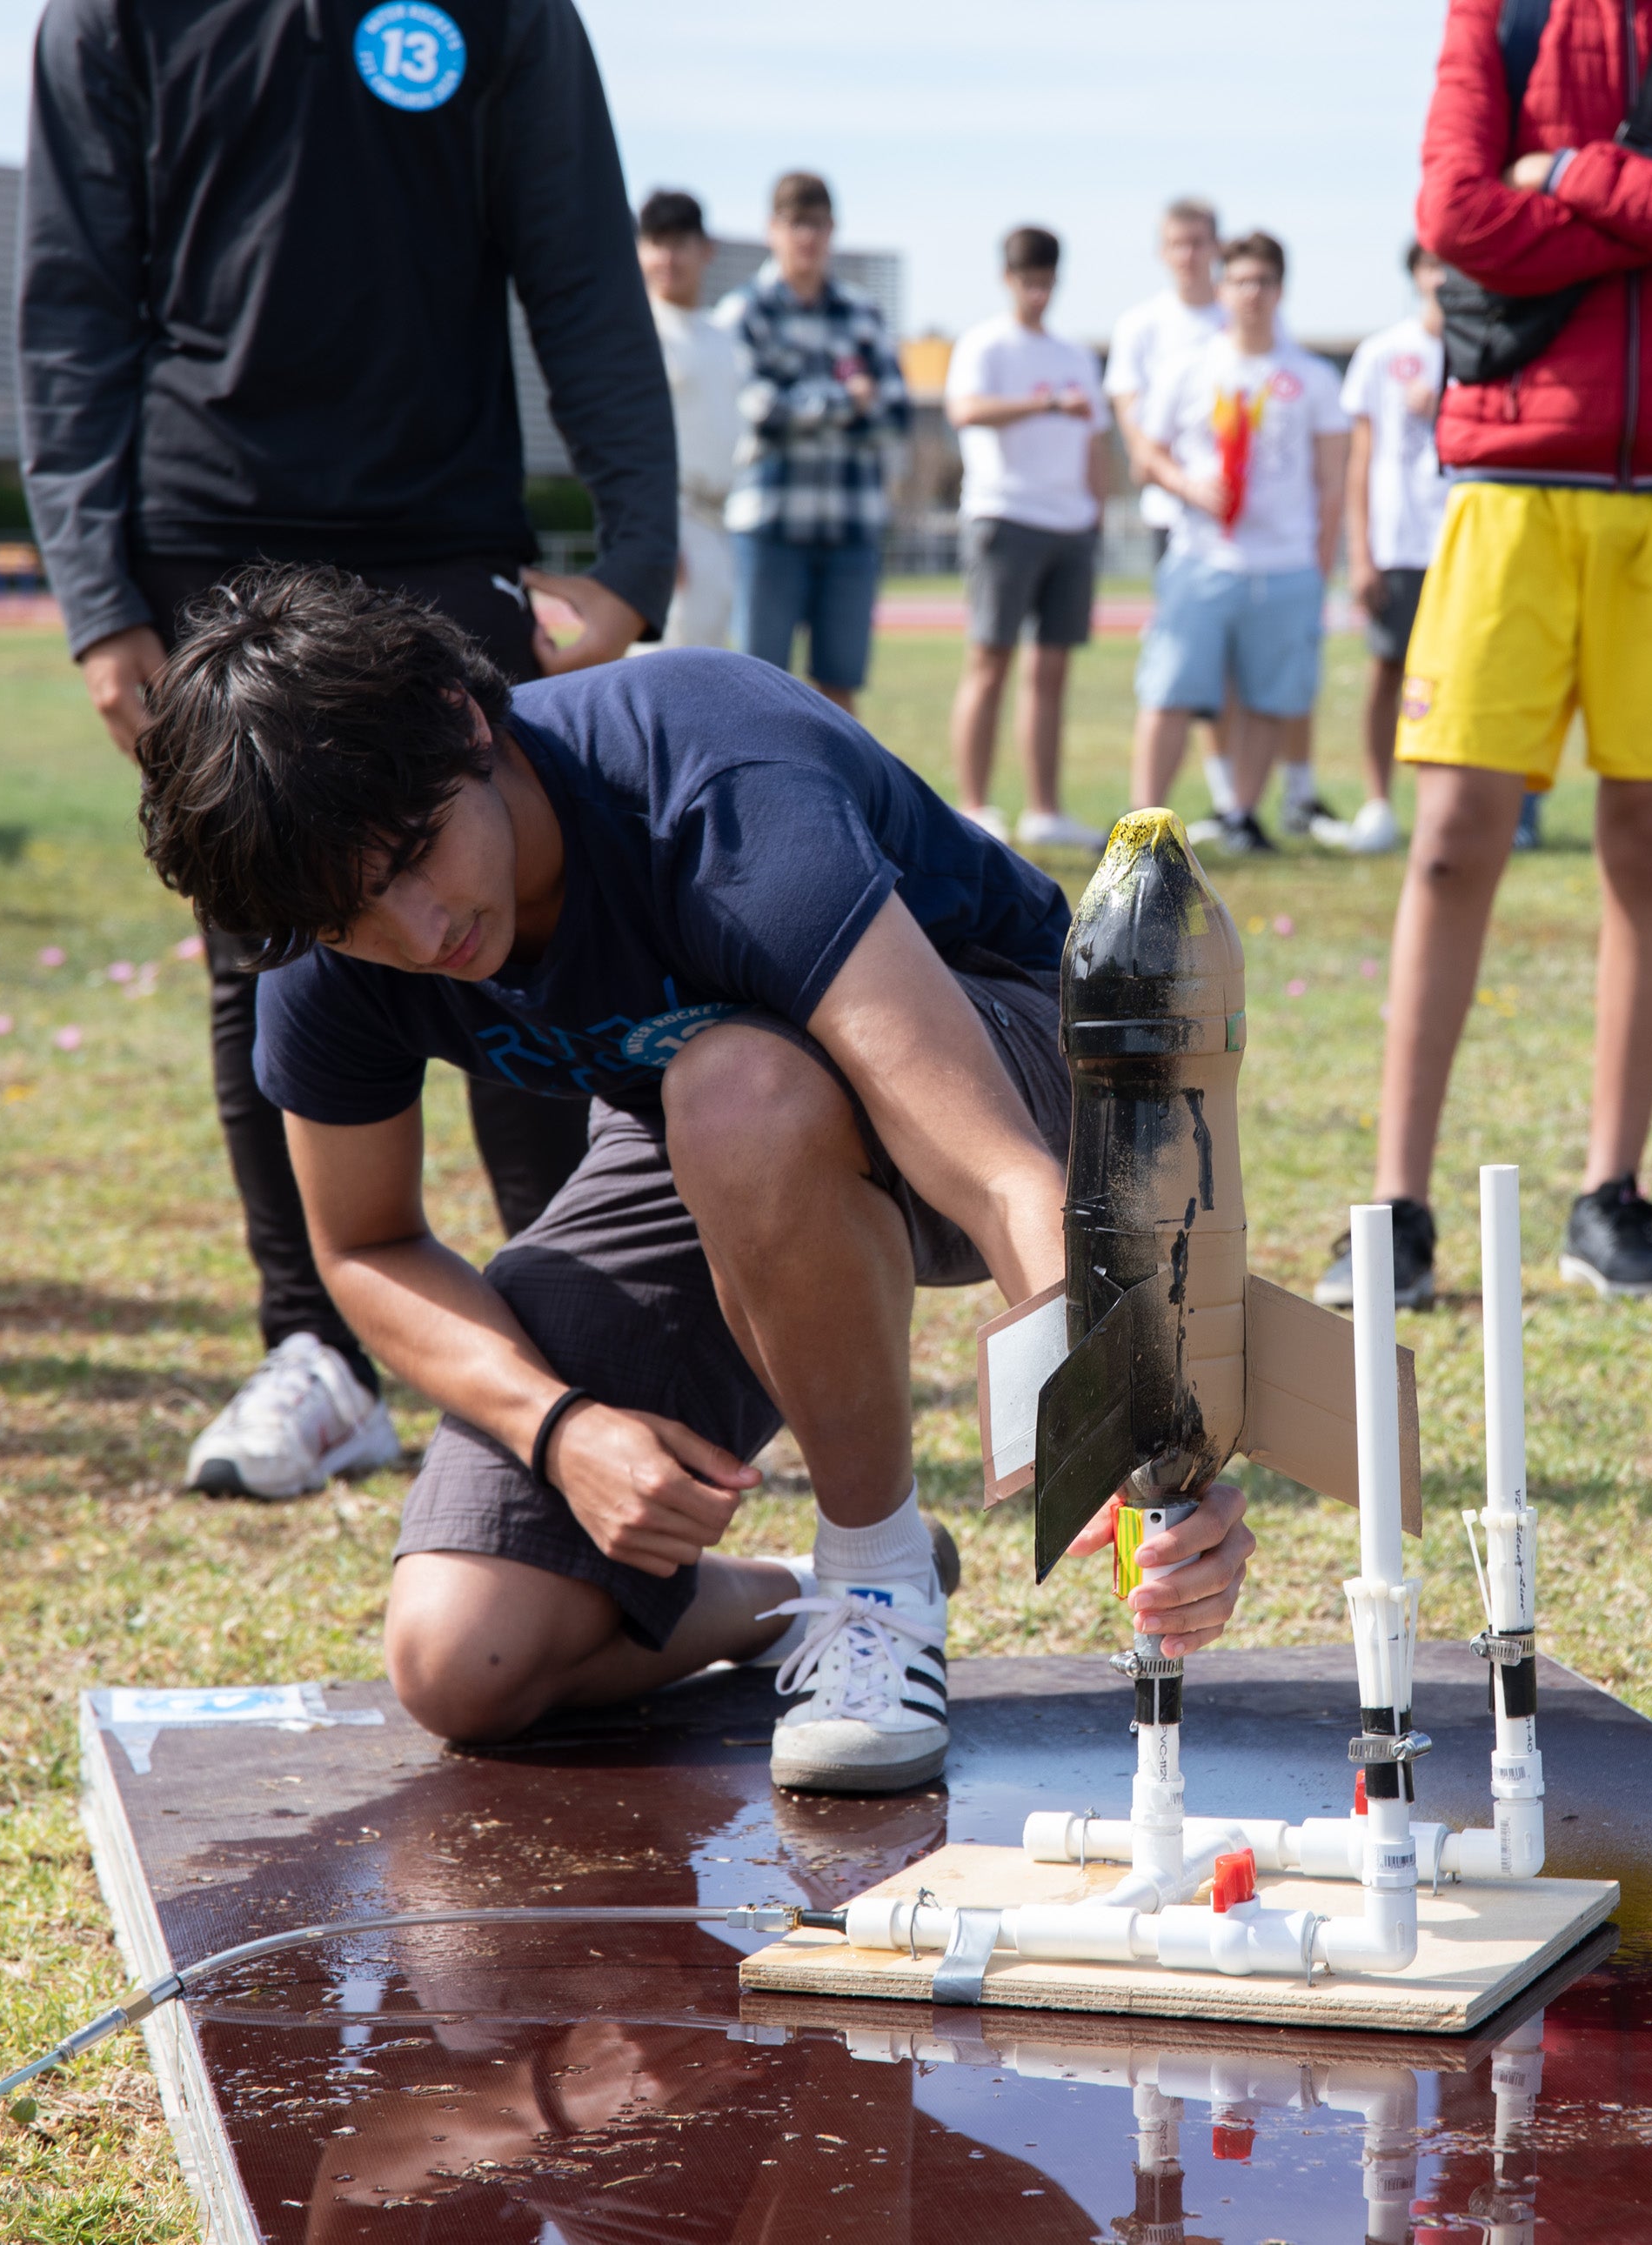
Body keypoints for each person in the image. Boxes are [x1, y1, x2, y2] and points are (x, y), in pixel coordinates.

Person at [129, 568, 1261, 1793]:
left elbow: (994, 1169)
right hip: (724, 1124)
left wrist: (1136, 1413)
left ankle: (872, 1581)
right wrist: (556, 1430)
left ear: (467, 720)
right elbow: (362, 1245)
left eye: (416, 854)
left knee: (735, 1092)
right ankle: (804, 1599)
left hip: (1008, 1054)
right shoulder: (327, 928)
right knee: (464, 1656)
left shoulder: (713, 774)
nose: (417, 933)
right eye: (356, 917)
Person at [21, 0, 680, 1500]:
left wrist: (632, 549)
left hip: (444, 537)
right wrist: (93, 590)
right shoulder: (113, 19)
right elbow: (71, 297)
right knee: (270, 951)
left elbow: (576, 265)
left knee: (513, 921)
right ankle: (314, 1349)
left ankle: (568, 1328)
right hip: (205, 539)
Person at [1320, 0, 1652, 1312]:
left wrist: (1571, 177)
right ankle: (1398, 1209)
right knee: (1450, 837)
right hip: (1513, 482)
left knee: (1649, 846)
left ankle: (1612, 1193)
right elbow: (1458, 218)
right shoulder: (1500, 15)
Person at [1103, 198, 1325, 852]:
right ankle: (1144, 831)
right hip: (1203, 556)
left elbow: (1333, 476)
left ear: (1280, 290)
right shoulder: (1187, 366)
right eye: (1240, 280)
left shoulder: (1308, 375)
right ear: (1222, 287)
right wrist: (1186, 485)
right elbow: (1146, 453)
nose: (1251, 293)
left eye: (1263, 281)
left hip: (1284, 564)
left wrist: (1319, 557)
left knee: (1265, 697)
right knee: (1170, 689)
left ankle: (1239, 816)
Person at [720, 171, 906, 712]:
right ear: (771, 229)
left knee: (841, 686)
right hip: (768, 525)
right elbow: (757, 410)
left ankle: (839, 797)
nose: (808, 237)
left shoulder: (863, 312)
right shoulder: (745, 311)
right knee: (757, 685)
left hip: (852, 526)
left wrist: (803, 403)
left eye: (818, 225)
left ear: (833, 231)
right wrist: (848, 401)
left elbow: (895, 415)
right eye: (795, 224)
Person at [944, 224, 1104, 852]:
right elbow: (965, 410)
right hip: (1004, 514)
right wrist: (1042, 406)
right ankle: (975, 804)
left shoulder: (1075, 354)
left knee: (1053, 668)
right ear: (1007, 279)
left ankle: (1045, 808)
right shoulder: (985, 343)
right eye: (1026, 281)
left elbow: (1094, 436)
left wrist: (1095, 506)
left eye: (1046, 282)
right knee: (989, 661)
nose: (1037, 293)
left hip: (1069, 522)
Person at [1328, 242, 1451, 859]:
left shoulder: (1489, 348)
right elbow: (1361, 459)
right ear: (1416, 276)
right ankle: (1378, 801)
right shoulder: (1383, 353)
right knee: (1388, 671)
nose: (1445, 277)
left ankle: (1448, 806)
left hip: (1466, 543)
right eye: (1433, 265)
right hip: (1400, 542)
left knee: (1462, 681)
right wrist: (1363, 552)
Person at [635, 188, 741, 650]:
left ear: (706, 249)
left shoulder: (724, 337)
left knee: (709, 670)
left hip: (719, 523)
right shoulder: (636, 331)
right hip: (668, 522)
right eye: (655, 242)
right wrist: (654, 534)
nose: (666, 257)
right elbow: (626, 442)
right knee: (660, 675)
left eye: (678, 242)